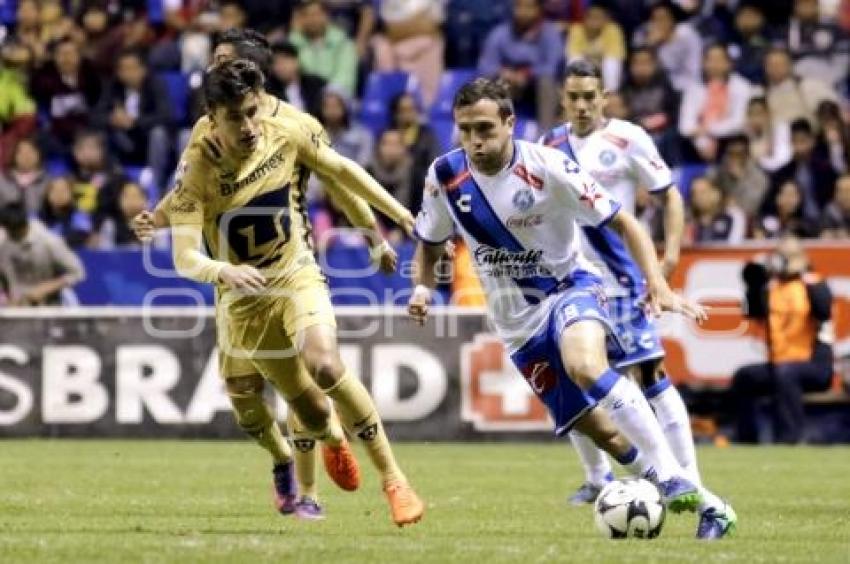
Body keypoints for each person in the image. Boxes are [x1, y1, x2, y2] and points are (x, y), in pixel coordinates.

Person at [408, 77, 736, 539]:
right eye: (465, 130)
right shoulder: (445, 175)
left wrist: (657, 282)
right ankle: (712, 507)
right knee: (599, 430)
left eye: (485, 128)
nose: (475, 141)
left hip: (570, 288)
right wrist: (422, 290)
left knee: (585, 365)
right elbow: (429, 241)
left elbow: (623, 221)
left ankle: (672, 474)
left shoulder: (548, 166)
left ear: (509, 123)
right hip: (517, 327)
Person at [132, 29, 403, 521]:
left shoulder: (293, 126)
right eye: (214, 63)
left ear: (257, 77)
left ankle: (319, 490)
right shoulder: (205, 136)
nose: (216, 70)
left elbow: (340, 179)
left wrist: (378, 232)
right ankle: (287, 462)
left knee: (319, 364)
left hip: (292, 261)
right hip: (236, 283)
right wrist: (162, 217)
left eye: (225, 62)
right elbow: (192, 193)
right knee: (246, 398)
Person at [540, 60, 709, 511]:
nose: (580, 105)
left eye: (589, 96)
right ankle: (597, 478)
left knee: (650, 374)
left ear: (604, 97)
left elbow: (669, 194)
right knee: (571, 380)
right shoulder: (548, 144)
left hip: (620, 279)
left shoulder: (629, 138)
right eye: (573, 96)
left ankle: (688, 477)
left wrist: (669, 256)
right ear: (562, 98)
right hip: (569, 281)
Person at [731, 236, 834, 443]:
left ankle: (790, 439)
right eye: (780, 254)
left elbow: (823, 310)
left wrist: (803, 272)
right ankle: (746, 440)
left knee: (786, 373)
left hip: (814, 365)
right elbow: (753, 313)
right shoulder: (773, 289)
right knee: (744, 377)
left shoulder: (814, 283)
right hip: (780, 363)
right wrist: (754, 285)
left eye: (789, 255)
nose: (783, 259)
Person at [93, 49, 172, 190]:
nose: (128, 73)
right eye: (123, 69)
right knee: (102, 134)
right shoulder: (113, 87)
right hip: (124, 140)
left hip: (147, 138)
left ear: (143, 69)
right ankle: (113, 181)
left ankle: (156, 186)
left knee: (159, 133)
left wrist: (134, 121)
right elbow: (97, 115)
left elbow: (165, 115)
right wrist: (112, 119)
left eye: (132, 68)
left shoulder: (155, 84)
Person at [477, 0, 563, 129]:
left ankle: (545, 136)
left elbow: (552, 67)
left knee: (546, 82)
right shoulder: (501, 32)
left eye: (529, 7)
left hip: (537, 87)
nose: (523, 12)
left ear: (538, 10)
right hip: (510, 85)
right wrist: (503, 72)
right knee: (491, 83)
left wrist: (527, 75)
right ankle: (490, 131)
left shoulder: (550, 33)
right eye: (519, 6)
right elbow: (485, 65)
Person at [0, 201, 85, 306]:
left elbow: (78, 272)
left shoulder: (49, 241)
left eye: (13, 233)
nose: (9, 235)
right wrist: (7, 295)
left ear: (24, 227)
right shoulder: (2, 239)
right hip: (15, 307)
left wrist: (47, 287)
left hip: (48, 307)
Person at [678, 43, 753, 163]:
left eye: (719, 60)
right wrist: (702, 143)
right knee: (675, 139)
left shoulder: (743, 87)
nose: (715, 65)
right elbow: (685, 126)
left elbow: (739, 122)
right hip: (698, 144)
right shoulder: (694, 88)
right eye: (710, 60)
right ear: (703, 63)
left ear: (729, 63)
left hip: (730, 140)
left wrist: (708, 130)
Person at [289, 0, 358, 97]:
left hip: (336, 98)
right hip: (304, 98)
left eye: (316, 14)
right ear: (301, 19)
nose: (312, 19)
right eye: (307, 15)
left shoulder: (343, 42)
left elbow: (345, 78)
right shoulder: (292, 43)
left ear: (327, 16)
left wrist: (326, 96)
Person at [265, 41, 326, 119]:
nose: (280, 66)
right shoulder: (269, 91)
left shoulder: (315, 85)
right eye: (276, 62)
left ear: (296, 61)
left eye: (284, 60)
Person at [686, 176, 746, 244]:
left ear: (716, 193)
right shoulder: (689, 222)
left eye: (703, 192)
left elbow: (734, 247)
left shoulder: (732, 216)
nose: (698, 197)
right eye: (694, 193)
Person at [0, 137, 49, 214]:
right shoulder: (2, 180)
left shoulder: (49, 181)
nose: (26, 156)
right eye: (21, 153)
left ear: (38, 154)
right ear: (14, 156)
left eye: (30, 152)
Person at [821, 174, 850, 238]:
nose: (846, 196)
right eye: (841, 191)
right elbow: (825, 234)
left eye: (848, 191)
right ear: (835, 194)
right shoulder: (829, 212)